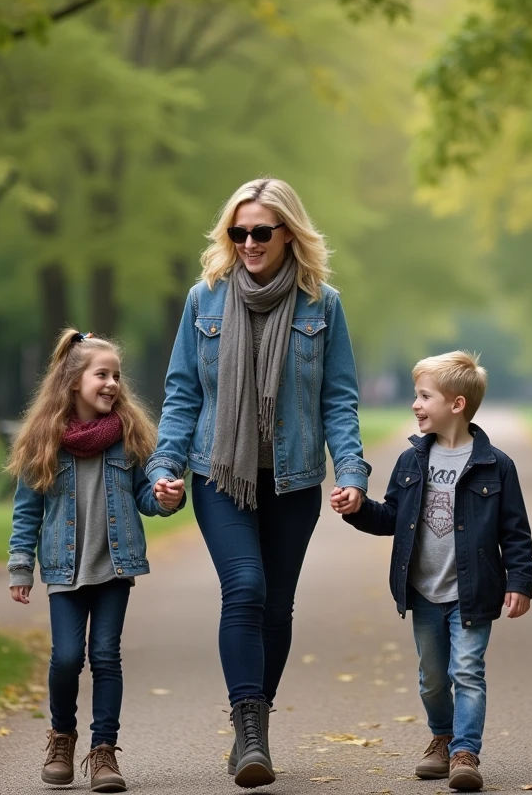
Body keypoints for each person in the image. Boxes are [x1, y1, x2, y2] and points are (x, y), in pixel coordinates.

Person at [148, 177, 370, 788]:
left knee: (276, 604)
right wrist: (165, 464)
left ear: (288, 235)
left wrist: (350, 471)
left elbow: (339, 398)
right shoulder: (205, 299)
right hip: (220, 473)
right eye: (238, 231)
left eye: (260, 232)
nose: (248, 241)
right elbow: (183, 391)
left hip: (294, 479)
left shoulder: (322, 304)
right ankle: (251, 735)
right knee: (244, 586)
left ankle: (254, 722)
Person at [335, 351, 532, 792]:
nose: (415, 404)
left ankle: (466, 751)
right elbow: (391, 516)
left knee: (467, 671)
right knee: (431, 678)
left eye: (425, 396)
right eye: (415, 395)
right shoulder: (412, 461)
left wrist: (520, 582)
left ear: (457, 404)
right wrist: (357, 509)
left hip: (473, 592)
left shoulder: (495, 465)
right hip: (423, 591)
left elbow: (515, 531)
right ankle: (441, 736)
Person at [6, 330, 185, 792]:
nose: (112, 384)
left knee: (105, 656)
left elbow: (145, 496)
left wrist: (165, 498)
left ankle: (104, 752)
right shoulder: (44, 441)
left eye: (116, 376)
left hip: (114, 568)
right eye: (101, 375)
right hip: (65, 570)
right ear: (72, 382)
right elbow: (26, 511)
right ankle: (63, 736)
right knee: (66, 658)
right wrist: (20, 566)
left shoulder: (128, 437)